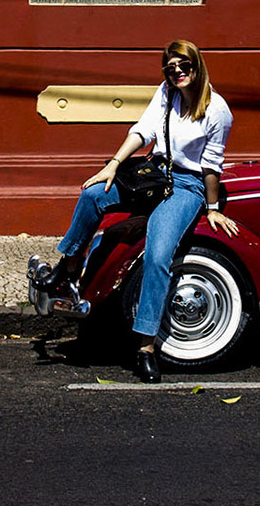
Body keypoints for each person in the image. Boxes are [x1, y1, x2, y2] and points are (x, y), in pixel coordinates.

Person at [32, 40, 239, 383]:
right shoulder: (167, 93)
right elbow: (143, 130)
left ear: (197, 66)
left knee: (157, 256)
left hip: (188, 187)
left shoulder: (217, 110)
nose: (176, 73)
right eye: (170, 68)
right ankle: (67, 268)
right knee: (93, 194)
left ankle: (145, 347)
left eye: (183, 66)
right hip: (156, 174)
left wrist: (213, 207)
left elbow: (211, 166)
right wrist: (113, 165)